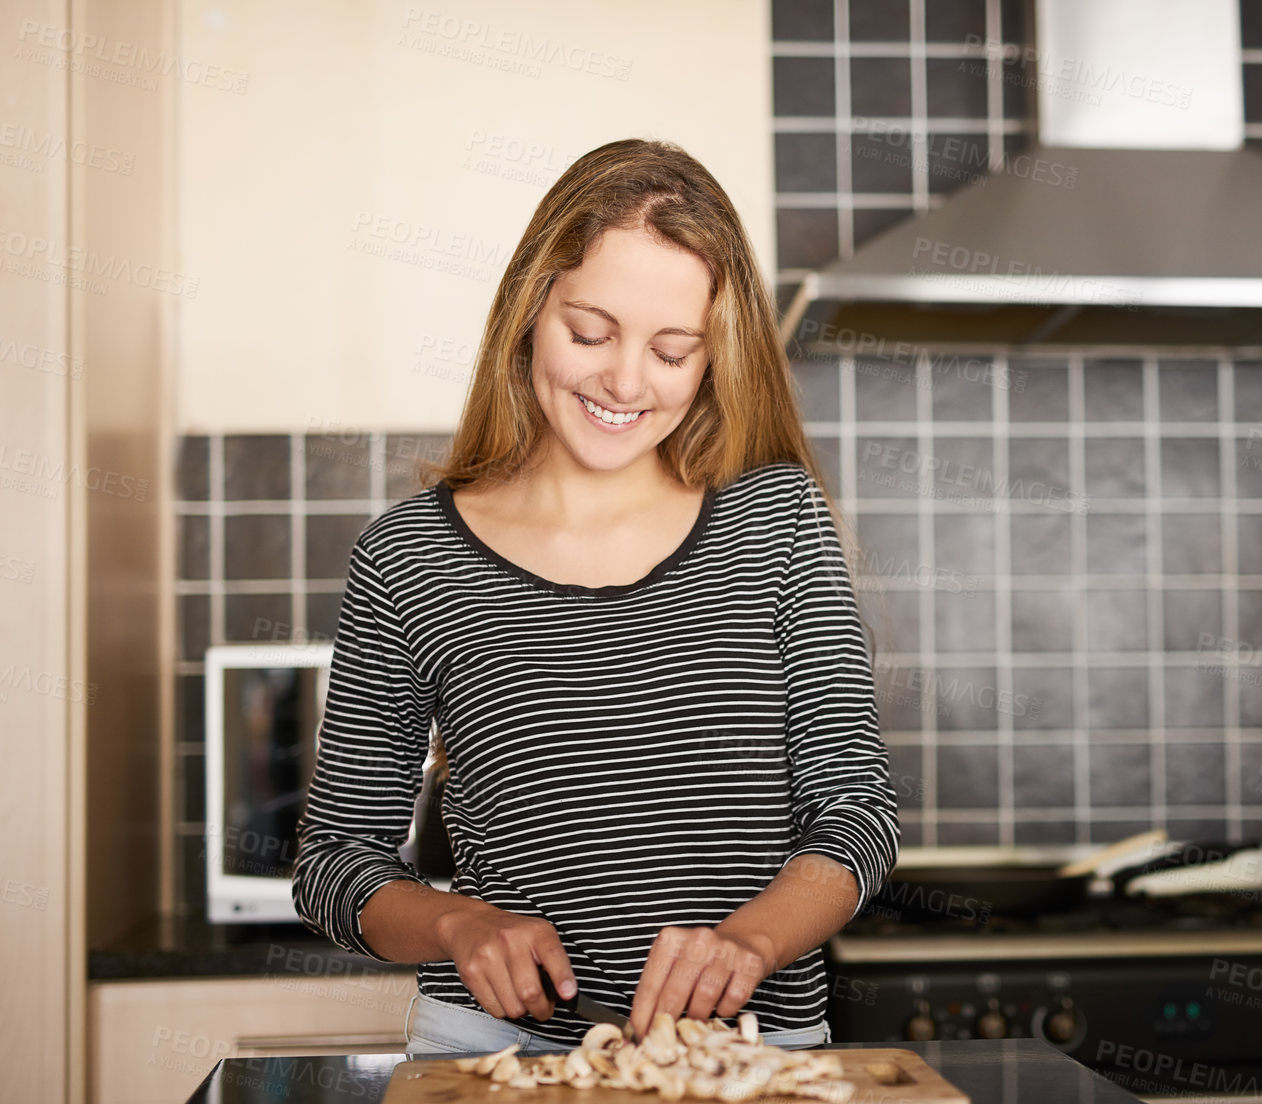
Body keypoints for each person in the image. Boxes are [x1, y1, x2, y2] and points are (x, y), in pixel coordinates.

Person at [291, 138, 900, 1057]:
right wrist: (459, 926)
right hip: (495, 1055)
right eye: (590, 332)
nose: (624, 381)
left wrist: (750, 940)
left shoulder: (776, 522)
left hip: (745, 1056)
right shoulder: (409, 556)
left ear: (713, 355)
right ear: (531, 311)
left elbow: (856, 812)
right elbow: (335, 861)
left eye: (670, 350)